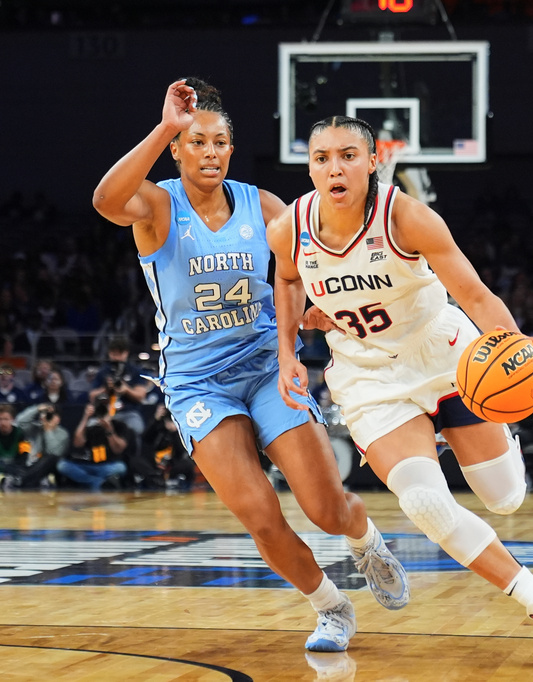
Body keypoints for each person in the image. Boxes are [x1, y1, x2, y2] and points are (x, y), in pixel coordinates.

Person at [91, 78, 409, 653]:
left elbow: (302, 273)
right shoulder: (158, 204)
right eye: (196, 142)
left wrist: (313, 311)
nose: (208, 152)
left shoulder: (264, 205)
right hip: (196, 382)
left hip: (265, 364)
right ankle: (331, 607)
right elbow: (105, 201)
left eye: (218, 143)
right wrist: (166, 122)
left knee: (327, 508)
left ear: (230, 150)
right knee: (261, 515)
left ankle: (365, 541)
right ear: (178, 150)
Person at [266, 115, 533, 667]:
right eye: (322, 158)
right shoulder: (290, 228)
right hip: (369, 378)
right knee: (422, 501)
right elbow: (287, 278)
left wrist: (517, 348)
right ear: (311, 167)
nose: (334, 167)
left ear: (373, 162)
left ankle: (474, 437)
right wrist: (287, 348)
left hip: (444, 356)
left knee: (504, 498)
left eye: (348, 155)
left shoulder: (408, 217)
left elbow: (474, 293)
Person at [57, 395, 132, 491]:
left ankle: (89, 481)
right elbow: (77, 443)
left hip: (107, 465)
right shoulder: (89, 425)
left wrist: (109, 430)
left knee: (121, 467)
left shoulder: (119, 425)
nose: (102, 409)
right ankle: (97, 482)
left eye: (105, 406)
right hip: (87, 464)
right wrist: (86, 417)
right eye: (100, 406)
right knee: (62, 465)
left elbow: (118, 449)